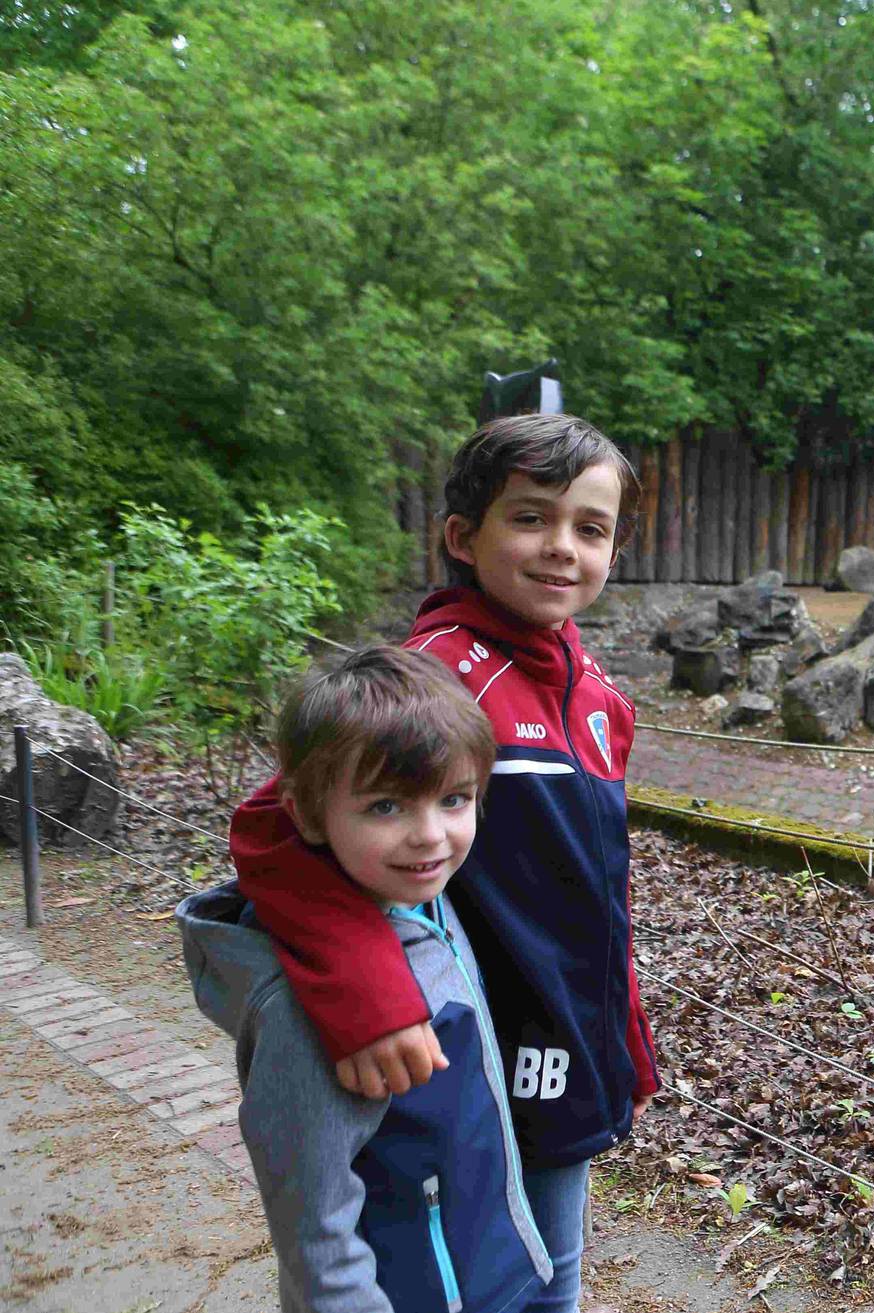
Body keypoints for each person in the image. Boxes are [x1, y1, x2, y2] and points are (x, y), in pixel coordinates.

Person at [230, 414, 660, 1313]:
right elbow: (275, 830)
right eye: (530, 518)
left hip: (565, 1046)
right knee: (477, 1278)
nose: (561, 548)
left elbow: (587, 888)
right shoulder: (431, 679)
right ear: (463, 537)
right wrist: (367, 998)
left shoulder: (600, 696)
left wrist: (620, 1034)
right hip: (464, 1060)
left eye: (590, 527)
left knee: (554, 1266)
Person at [180, 645, 552, 1312]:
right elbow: (316, 1228)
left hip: (479, 1275)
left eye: (455, 798)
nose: (429, 835)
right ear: (307, 812)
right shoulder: (306, 1015)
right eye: (386, 806)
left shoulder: (427, 900)